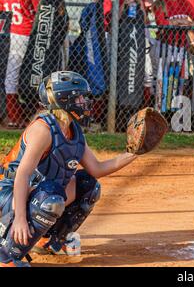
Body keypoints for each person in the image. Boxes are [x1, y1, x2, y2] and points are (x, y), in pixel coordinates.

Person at [0, 71, 138, 267]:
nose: (85, 102)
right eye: (80, 97)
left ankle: (47, 240)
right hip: (8, 190)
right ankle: (5, 256)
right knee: (51, 200)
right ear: (64, 100)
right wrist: (21, 219)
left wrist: (133, 154)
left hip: (36, 191)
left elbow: (97, 169)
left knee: (89, 186)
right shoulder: (43, 130)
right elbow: (22, 175)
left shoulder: (74, 131)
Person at [0, 0, 41, 129]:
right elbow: (41, 11)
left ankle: (13, 116)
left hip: (10, 34)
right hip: (27, 34)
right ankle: (28, 115)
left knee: (11, 75)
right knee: (35, 73)